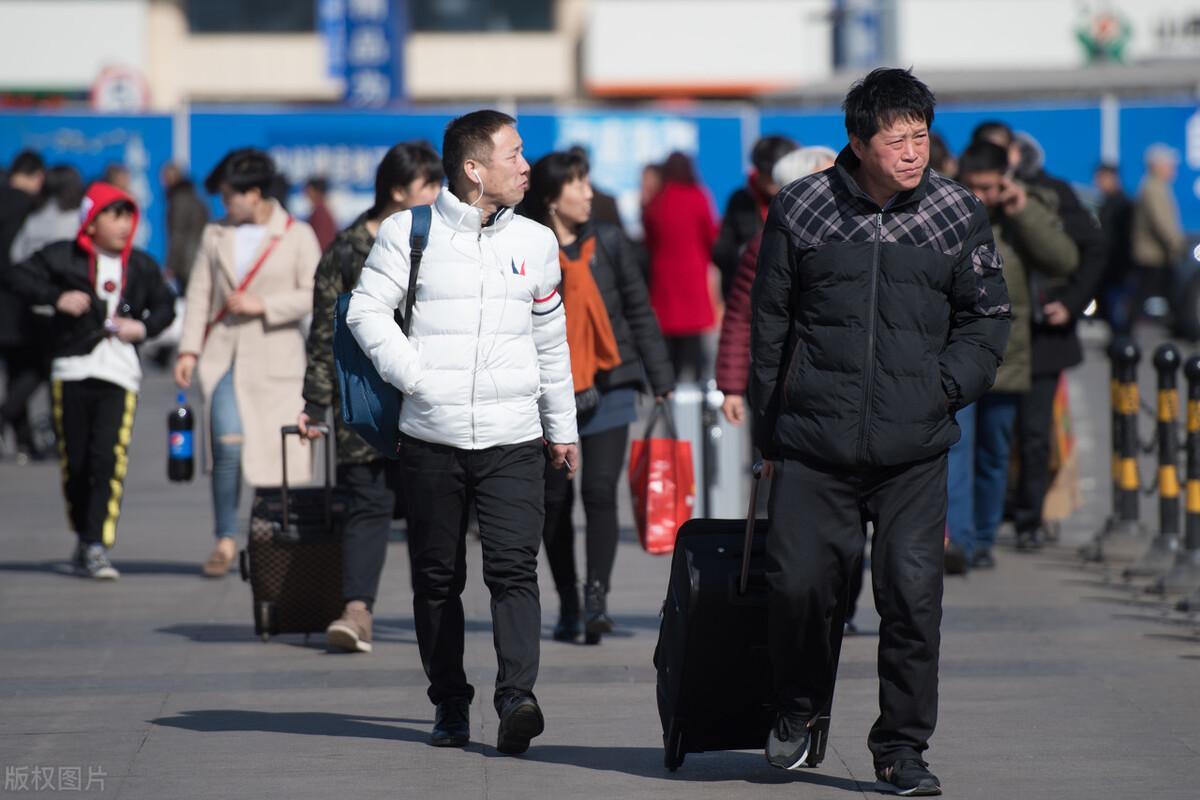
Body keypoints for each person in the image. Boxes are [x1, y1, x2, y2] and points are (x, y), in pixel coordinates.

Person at [750, 68, 1010, 796]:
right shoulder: (802, 208)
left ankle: (901, 749)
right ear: (858, 142)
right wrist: (769, 432)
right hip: (811, 444)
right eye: (896, 140)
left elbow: (987, 319)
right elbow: (770, 322)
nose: (912, 153)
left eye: (920, 137)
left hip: (913, 452)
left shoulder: (956, 212)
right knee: (798, 587)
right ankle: (799, 709)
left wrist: (943, 390)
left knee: (912, 597)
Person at [346, 110, 577, 755]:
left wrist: (562, 428)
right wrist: (415, 376)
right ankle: (449, 701)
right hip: (430, 438)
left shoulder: (535, 242)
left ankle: (516, 699)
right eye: (515, 154)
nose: (527, 165)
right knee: (437, 579)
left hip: (513, 436)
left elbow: (550, 344)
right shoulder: (408, 233)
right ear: (475, 170)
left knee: (513, 569)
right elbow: (367, 311)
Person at [296, 142, 443, 653]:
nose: (439, 195)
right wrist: (315, 404)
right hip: (365, 400)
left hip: (430, 398)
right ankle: (357, 611)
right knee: (366, 503)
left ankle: (439, 612)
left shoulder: (443, 239)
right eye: (429, 186)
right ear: (398, 191)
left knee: (433, 507)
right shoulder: (346, 251)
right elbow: (323, 334)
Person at [524, 149, 674, 645]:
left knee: (599, 491)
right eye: (578, 183)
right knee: (555, 499)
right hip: (549, 389)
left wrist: (661, 378)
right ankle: (567, 602)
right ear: (550, 195)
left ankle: (596, 600)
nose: (589, 192)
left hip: (611, 380)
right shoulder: (525, 247)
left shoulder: (609, 240)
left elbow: (638, 310)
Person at [6, 182, 174, 579]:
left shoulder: (142, 265)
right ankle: (84, 536)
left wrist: (143, 328)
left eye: (127, 215)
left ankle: (98, 543)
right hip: (71, 369)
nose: (122, 225)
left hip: (120, 374)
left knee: (107, 459)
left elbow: (165, 306)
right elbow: (15, 276)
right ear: (91, 221)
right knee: (77, 462)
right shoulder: (64, 257)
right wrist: (55, 296)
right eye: (112, 216)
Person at [174, 148, 322, 578]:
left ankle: (267, 537)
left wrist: (264, 304)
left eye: (230, 196)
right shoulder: (215, 234)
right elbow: (200, 294)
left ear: (254, 193)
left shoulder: (298, 234)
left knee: (272, 453)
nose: (225, 204)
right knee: (227, 446)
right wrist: (188, 351)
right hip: (224, 357)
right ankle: (223, 537)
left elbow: (314, 293)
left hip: (277, 360)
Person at [945, 142, 1078, 573]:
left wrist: (1022, 212)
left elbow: (1063, 261)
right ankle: (958, 542)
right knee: (957, 452)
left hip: (1009, 353)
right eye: (974, 187)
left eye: (990, 187)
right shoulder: (947, 210)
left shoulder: (1027, 210)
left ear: (1006, 181)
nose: (981, 196)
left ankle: (983, 539)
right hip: (958, 353)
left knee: (995, 452)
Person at [972, 122, 1105, 550]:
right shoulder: (975, 196)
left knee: (1034, 434)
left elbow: (1084, 252)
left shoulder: (1049, 192)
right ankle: (987, 519)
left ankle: (1029, 518)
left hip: (1044, 333)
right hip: (997, 337)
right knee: (993, 438)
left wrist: (1071, 302)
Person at [716, 146, 836, 427]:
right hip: (784, 384)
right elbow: (740, 316)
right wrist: (732, 386)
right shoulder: (765, 245)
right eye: (828, 180)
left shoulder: (863, 238)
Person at [642, 152, 718, 382]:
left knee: (670, 339)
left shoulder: (658, 200)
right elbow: (711, 234)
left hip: (665, 276)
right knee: (694, 338)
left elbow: (649, 238)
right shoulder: (698, 196)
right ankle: (697, 389)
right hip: (693, 273)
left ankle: (670, 389)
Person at [0, 150, 46, 461]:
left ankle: (25, 440)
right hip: (15, 299)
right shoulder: (26, 207)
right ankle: (6, 419)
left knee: (17, 369)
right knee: (33, 366)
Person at [712, 135, 798, 300]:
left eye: (776, 173)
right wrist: (744, 254)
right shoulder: (740, 200)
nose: (771, 180)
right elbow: (721, 251)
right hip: (747, 294)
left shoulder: (797, 199)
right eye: (766, 173)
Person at [1130, 144, 1185, 325]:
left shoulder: (1155, 186)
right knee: (1148, 292)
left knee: (1164, 292)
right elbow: (1162, 222)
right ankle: (1186, 328)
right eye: (1169, 164)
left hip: (1155, 252)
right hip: (1152, 253)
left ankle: (1182, 326)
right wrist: (1177, 243)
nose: (1173, 168)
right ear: (1157, 165)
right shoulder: (1154, 187)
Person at [11, 165, 85, 263]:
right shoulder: (79, 218)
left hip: (30, 271)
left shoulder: (35, 215)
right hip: (63, 274)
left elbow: (17, 252)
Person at [1093, 162, 1135, 332]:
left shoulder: (1122, 204)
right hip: (1111, 268)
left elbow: (1123, 240)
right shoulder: (1108, 203)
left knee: (1119, 313)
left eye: (1102, 178)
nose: (1098, 183)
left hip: (1119, 269)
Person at [161, 162, 209, 296]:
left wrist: (171, 265)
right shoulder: (196, 197)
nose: (163, 182)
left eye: (166, 177)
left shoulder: (179, 201)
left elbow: (178, 234)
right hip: (200, 258)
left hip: (186, 262)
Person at [304, 176, 338, 252]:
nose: (306, 194)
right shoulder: (324, 210)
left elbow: (321, 242)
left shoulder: (320, 213)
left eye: (308, 190)